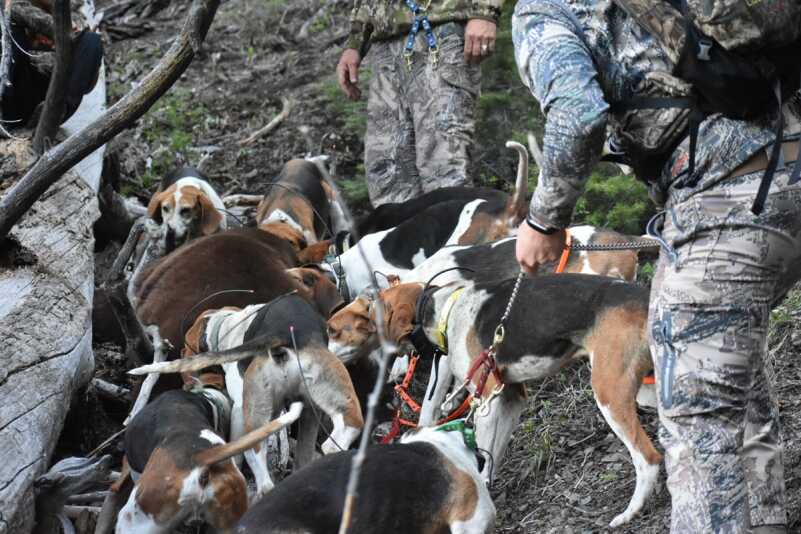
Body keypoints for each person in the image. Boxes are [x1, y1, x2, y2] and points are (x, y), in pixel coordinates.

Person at [511, 1, 801, 533]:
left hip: (725, 203)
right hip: (788, 166)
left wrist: (544, 220)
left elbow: (577, 114)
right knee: (735, 388)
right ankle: (765, 521)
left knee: (696, 421)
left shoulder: (545, 10)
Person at [336, 1, 503, 206]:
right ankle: (402, 237)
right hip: (384, 45)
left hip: (440, 31)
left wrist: (485, 12)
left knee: (444, 172)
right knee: (387, 175)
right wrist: (355, 42)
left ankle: (455, 236)